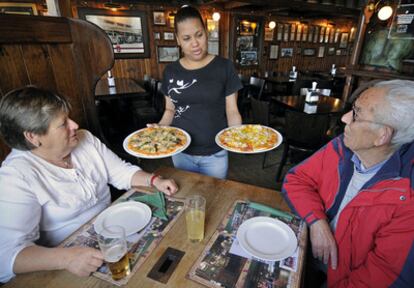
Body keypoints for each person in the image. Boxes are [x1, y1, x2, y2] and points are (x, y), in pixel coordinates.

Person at [0, 86, 178, 283]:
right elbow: (6, 257)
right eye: (63, 124)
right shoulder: (15, 175)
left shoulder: (85, 139)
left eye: (69, 118)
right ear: (33, 137)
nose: (74, 125)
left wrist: (154, 180)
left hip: (118, 232)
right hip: (69, 262)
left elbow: (121, 172)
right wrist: (67, 259)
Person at [281, 80, 414, 287]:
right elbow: (296, 179)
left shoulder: (407, 197)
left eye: (356, 114)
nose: (344, 118)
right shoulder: (344, 146)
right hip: (305, 252)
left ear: (382, 136)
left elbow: (382, 277)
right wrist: (317, 221)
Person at [155, 5, 243, 179]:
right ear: (178, 39)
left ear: (206, 32)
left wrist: (239, 138)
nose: (195, 43)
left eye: (199, 35)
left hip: (215, 154)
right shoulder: (170, 71)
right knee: (185, 198)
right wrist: (159, 129)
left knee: (215, 199)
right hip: (180, 151)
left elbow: (232, 111)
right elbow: (170, 110)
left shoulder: (224, 67)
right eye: (186, 38)